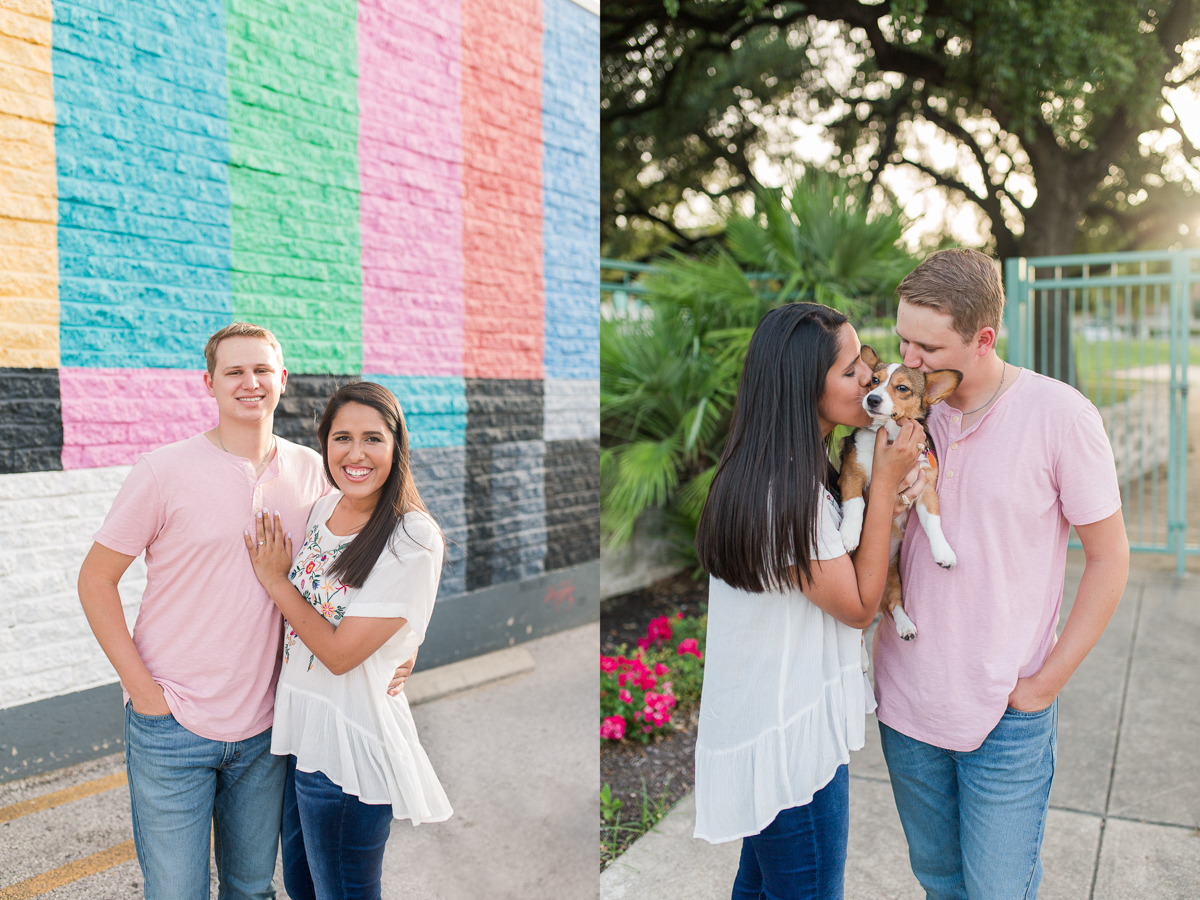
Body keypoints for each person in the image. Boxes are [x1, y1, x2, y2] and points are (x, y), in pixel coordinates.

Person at [77, 323, 414, 899]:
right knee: (176, 892)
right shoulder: (164, 471)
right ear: (208, 383)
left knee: (252, 889)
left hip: (266, 727)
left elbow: (372, 563)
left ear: (281, 380)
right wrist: (145, 692)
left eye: (262, 370)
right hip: (171, 723)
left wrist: (401, 649)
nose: (249, 382)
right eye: (234, 371)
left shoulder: (315, 472)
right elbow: (95, 581)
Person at [874, 248, 1129, 899]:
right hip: (906, 704)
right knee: (938, 882)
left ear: (984, 339)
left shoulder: (1061, 417)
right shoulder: (898, 413)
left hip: (1006, 712)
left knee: (997, 891)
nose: (909, 358)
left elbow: (1109, 557)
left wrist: (1046, 683)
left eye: (927, 346)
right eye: (902, 338)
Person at [692, 302, 927, 899]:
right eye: (851, 372)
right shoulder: (787, 496)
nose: (869, 380)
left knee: (761, 887)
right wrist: (882, 486)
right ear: (804, 384)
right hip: (791, 745)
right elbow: (857, 606)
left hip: (769, 727)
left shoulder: (777, 472)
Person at [244, 381, 452, 900]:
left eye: (372, 439)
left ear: (397, 445)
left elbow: (338, 654)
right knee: (302, 886)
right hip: (300, 736)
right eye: (341, 438)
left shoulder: (412, 536)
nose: (355, 454)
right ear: (324, 444)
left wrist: (275, 581)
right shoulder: (322, 510)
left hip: (348, 746)